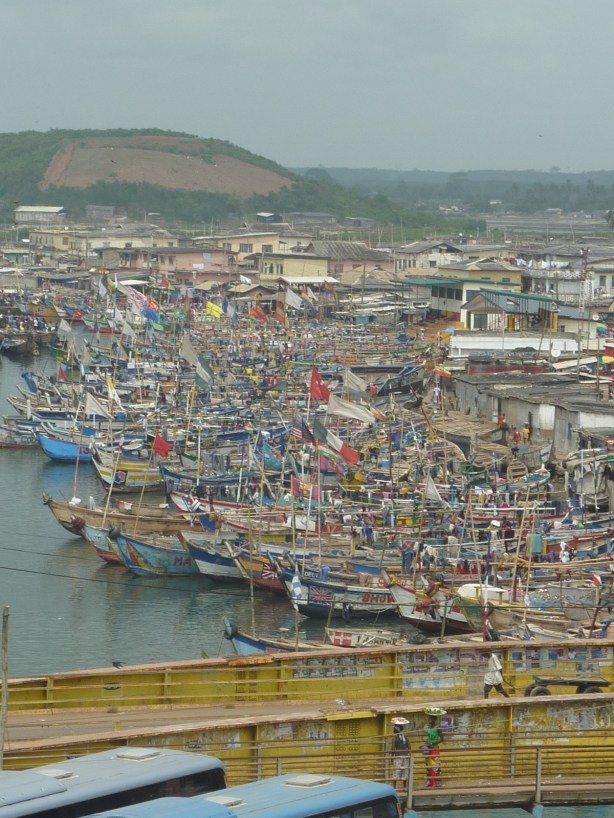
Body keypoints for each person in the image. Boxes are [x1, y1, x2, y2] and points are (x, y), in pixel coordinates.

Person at [423, 712, 443, 787]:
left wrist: (433, 743)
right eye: (429, 718)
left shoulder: (438, 728)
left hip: (435, 748)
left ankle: (437, 781)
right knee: (428, 764)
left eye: (431, 718)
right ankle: (429, 781)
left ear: (435, 719)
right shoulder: (428, 728)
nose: (430, 720)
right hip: (428, 748)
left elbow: (442, 739)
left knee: (436, 764)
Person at [392, 717, 410, 789]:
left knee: (396, 771)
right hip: (405, 756)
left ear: (397, 729)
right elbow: (409, 746)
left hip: (398, 756)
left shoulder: (395, 738)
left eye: (394, 728)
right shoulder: (405, 737)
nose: (393, 729)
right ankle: (404, 787)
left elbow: (393, 748)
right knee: (405, 771)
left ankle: (394, 787)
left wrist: (392, 756)